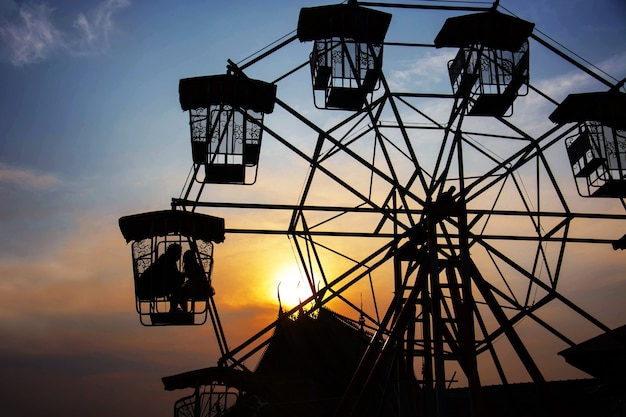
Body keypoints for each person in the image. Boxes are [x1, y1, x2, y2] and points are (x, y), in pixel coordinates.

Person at [136, 243, 185, 312]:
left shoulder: (166, 260)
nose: (180, 256)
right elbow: (173, 276)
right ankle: (175, 309)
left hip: (150, 287)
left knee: (178, 283)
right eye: (179, 253)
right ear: (174, 253)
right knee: (177, 284)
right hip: (148, 288)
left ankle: (175, 308)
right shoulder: (167, 261)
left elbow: (173, 275)